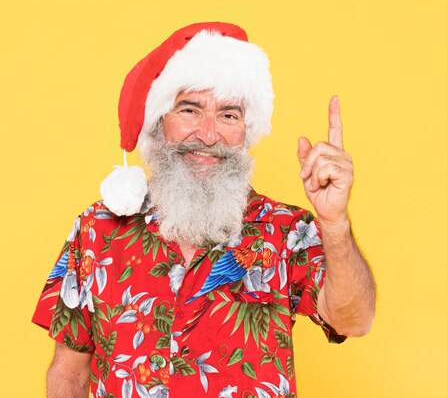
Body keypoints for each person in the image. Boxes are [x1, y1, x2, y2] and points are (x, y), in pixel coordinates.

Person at [32, 21, 376, 398]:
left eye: (229, 115)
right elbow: (70, 374)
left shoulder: (286, 231)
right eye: (190, 110)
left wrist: (335, 222)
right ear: (158, 122)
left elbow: (354, 319)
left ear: (246, 130)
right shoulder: (97, 229)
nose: (209, 135)